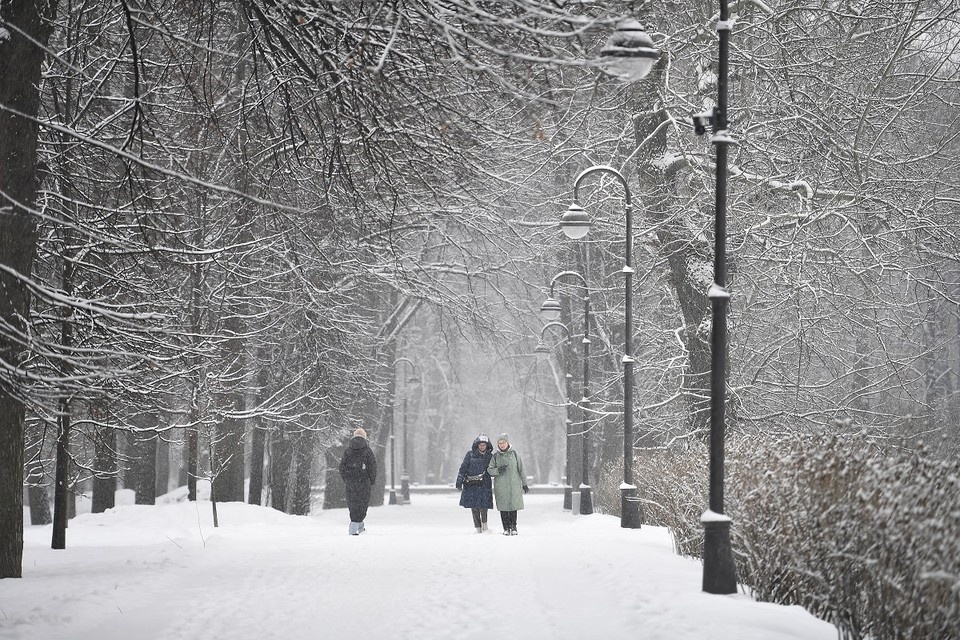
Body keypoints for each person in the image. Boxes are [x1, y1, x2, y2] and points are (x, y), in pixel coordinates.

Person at [487, 433, 529, 535]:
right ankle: (506, 528)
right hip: (501, 487)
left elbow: (521, 470)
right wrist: (498, 470)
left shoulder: (515, 455)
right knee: (503, 508)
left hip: (514, 485)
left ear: (507, 443)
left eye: (503, 442)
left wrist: (524, 483)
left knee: (513, 507)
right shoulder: (495, 457)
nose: (501, 445)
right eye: (499, 443)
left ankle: (514, 527)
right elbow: (489, 470)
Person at [338, 428, 377, 535]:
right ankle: (353, 527)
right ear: (365, 437)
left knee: (353, 503)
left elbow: (342, 467)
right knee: (362, 503)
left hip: (351, 482)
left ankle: (360, 527)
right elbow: (372, 467)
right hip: (364, 482)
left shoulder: (348, 451)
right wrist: (371, 480)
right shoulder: (367, 451)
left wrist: (347, 478)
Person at [455, 433, 494, 533]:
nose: (482, 446)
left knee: (484, 506)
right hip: (472, 484)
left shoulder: (490, 456)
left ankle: (485, 525)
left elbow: (494, 469)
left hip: (485, 484)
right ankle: (478, 527)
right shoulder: (470, 455)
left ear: (487, 445)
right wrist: (459, 480)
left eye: (484, 444)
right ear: (477, 445)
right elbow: (463, 468)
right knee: (474, 506)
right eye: (480, 444)